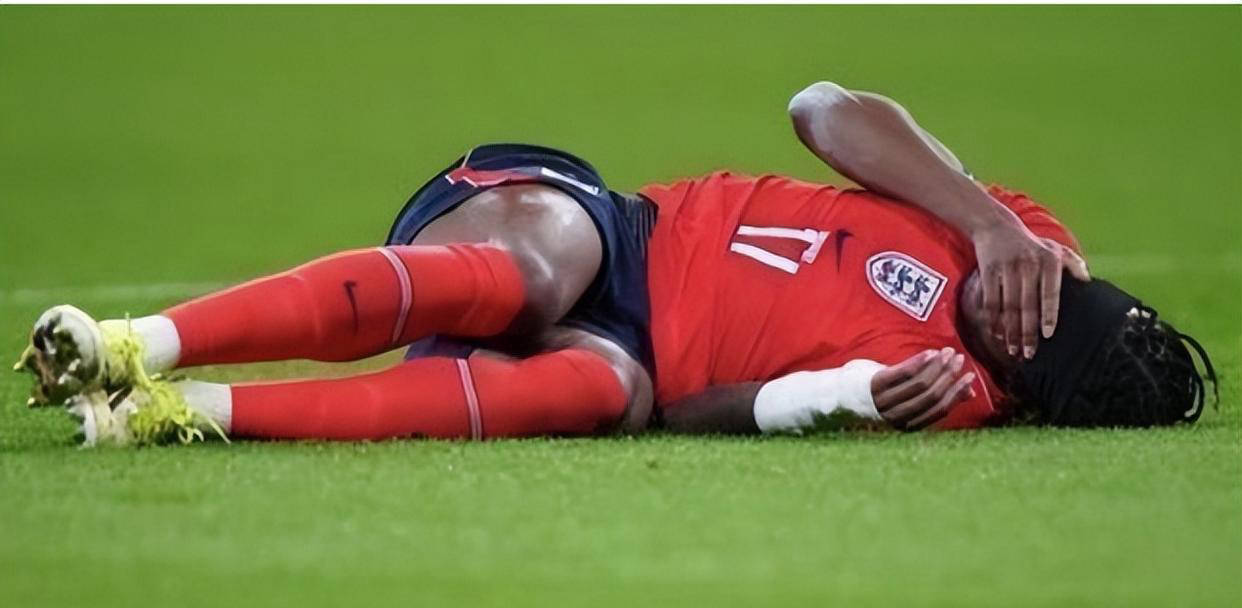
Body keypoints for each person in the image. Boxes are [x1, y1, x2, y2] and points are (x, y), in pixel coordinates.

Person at [13, 82, 1214, 446]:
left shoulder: (950, 393)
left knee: (600, 394)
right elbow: (822, 109)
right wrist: (993, 223)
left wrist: (841, 398)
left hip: (633, 352)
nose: (1021, 306)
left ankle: (175, 412)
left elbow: (691, 411)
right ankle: (139, 338)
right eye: (1056, 295)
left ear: (1029, 385)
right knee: (532, 276)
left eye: (1035, 338)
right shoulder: (1011, 229)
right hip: (597, 224)